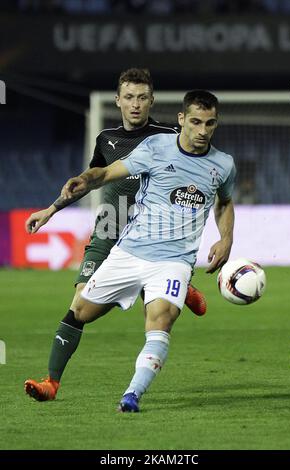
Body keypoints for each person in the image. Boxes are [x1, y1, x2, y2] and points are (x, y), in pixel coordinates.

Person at [24, 69, 206, 403]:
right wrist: (51, 210)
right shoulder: (105, 139)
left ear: (151, 100)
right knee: (80, 301)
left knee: (152, 312)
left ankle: (174, 282)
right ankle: (51, 382)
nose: (135, 105)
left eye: (142, 97)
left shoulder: (170, 138)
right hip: (108, 231)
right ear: (117, 100)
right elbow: (88, 181)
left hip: (153, 241)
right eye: (129, 97)